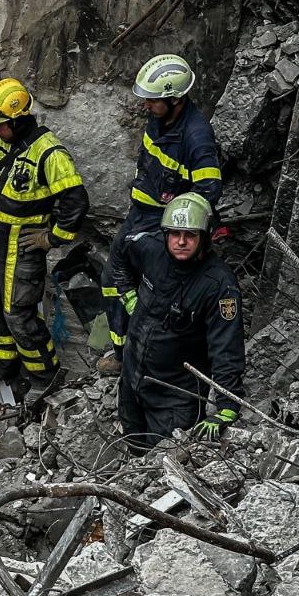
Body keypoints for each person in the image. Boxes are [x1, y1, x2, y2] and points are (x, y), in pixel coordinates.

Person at [0, 78, 89, 403]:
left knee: (18, 313)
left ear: (19, 119)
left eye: (1, 126)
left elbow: (76, 201)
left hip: (21, 244)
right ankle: (3, 361)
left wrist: (52, 238)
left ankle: (45, 374)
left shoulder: (49, 153)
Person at [99, 55, 222, 374]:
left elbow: (208, 191)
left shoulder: (196, 138)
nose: (145, 106)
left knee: (154, 289)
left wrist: (175, 234)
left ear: (176, 99)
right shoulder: (159, 120)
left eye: (153, 100)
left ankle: (144, 352)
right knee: (113, 280)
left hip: (162, 225)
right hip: (140, 215)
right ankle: (123, 349)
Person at [114, 193, 244, 452]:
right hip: (132, 379)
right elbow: (120, 252)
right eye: (174, 234)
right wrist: (128, 294)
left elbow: (226, 348)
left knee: (162, 461)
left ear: (204, 237)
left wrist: (227, 407)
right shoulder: (150, 249)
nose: (181, 242)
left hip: (175, 396)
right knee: (134, 446)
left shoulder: (218, 286)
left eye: (190, 236)